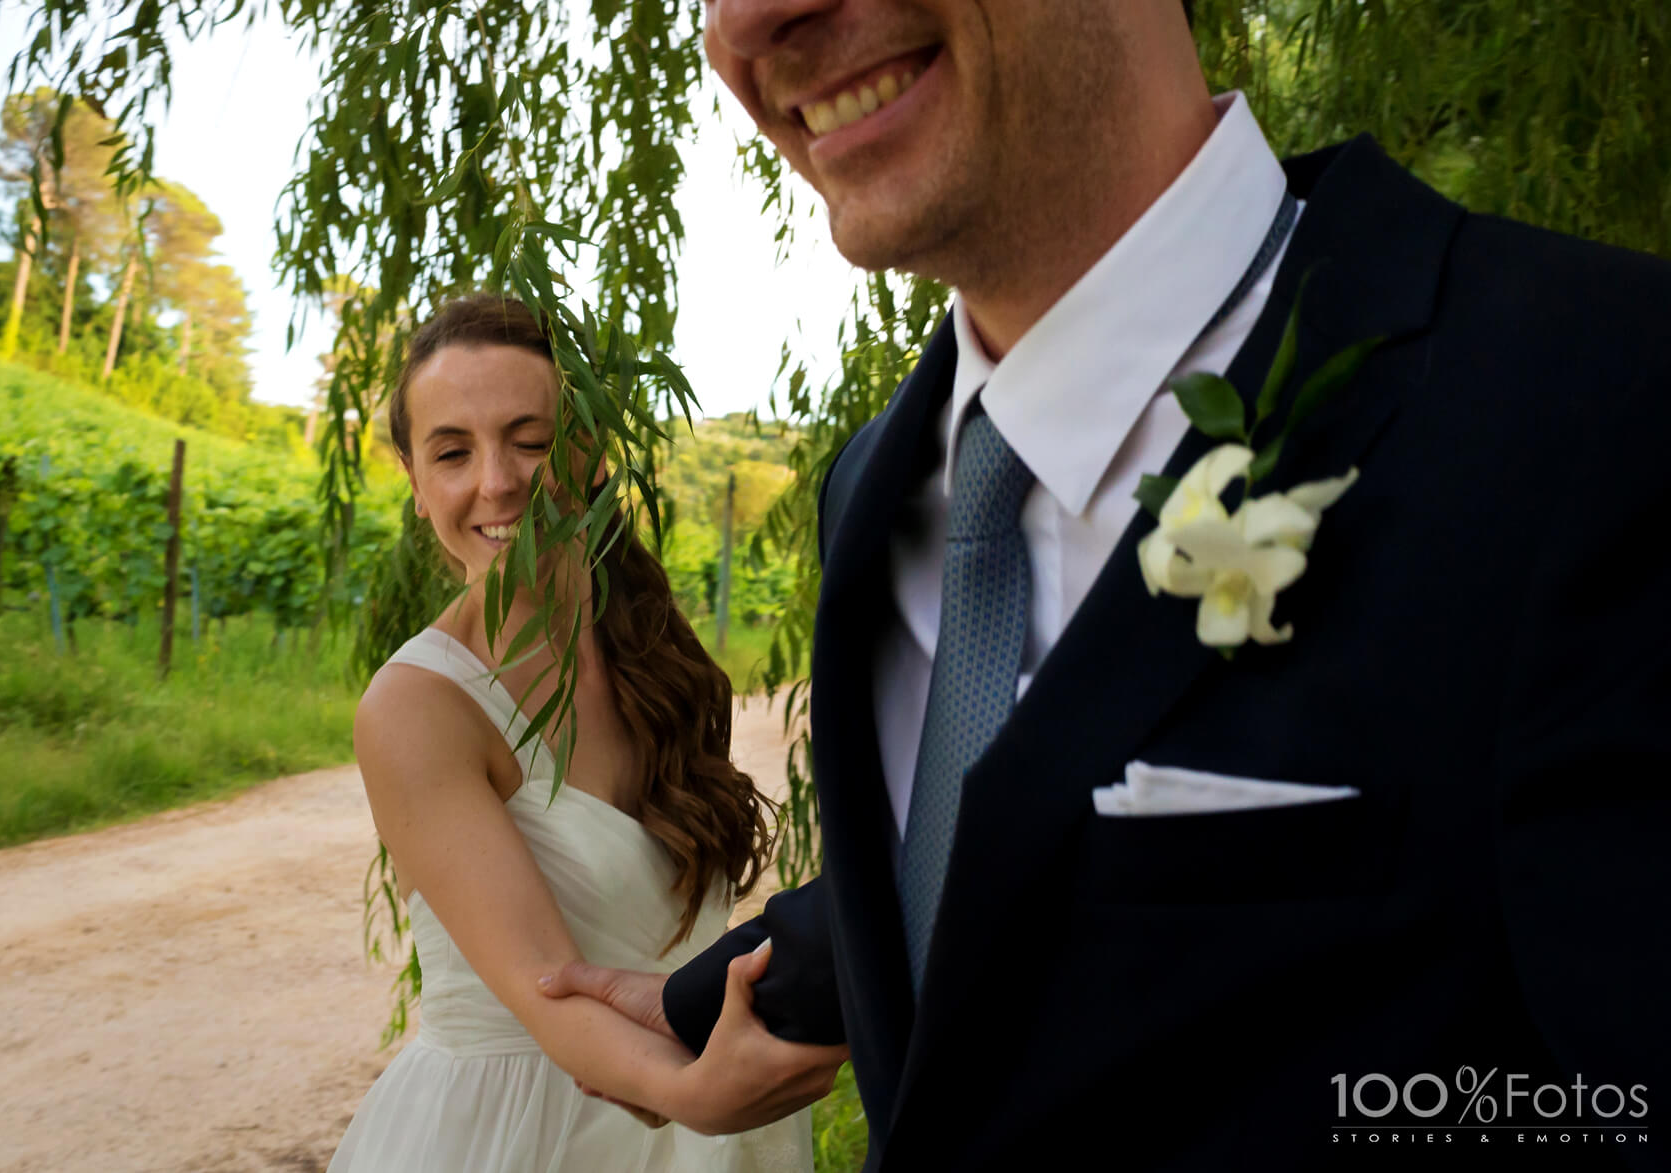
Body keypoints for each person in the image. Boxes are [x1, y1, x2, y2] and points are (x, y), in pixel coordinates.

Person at [543, 0, 1671, 1169]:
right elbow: (1007, 852)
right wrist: (702, 997)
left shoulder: (1611, 406)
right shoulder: (872, 486)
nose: (747, 18)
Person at [327, 293, 813, 1172]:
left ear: (586, 450)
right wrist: (702, 1093)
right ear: (413, 477)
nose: (497, 480)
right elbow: (546, 991)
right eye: (452, 451)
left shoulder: (653, 648)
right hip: (519, 1136)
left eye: (531, 438)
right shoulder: (416, 707)